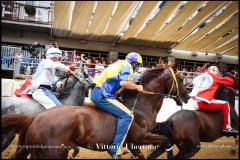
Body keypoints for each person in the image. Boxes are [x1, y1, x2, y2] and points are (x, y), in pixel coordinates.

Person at [90, 52, 144, 159]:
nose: (137, 68)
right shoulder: (127, 65)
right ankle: (114, 148)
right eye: (137, 65)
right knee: (128, 116)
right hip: (102, 94)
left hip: (98, 92)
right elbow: (124, 83)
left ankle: (123, 144)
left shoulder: (119, 63)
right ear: (134, 63)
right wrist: (137, 87)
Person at [188, 66, 238, 133]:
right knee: (226, 104)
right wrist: (227, 76)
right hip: (202, 103)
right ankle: (227, 126)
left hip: (192, 101)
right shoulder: (215, 77)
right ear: (216, 72)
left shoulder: (199, 77)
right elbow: (231, 82)